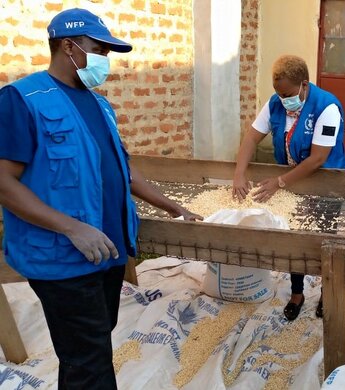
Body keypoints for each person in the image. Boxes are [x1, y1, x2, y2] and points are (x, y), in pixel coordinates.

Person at [0, 8, 200, 390]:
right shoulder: (23, 100)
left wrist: (172, 206)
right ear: (68, 46)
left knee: (86, 354)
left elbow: (123, 170)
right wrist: (72, 228)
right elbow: (3, 182)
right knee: (91, 364)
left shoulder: (99, 104)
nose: (105, 60)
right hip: (64, 259)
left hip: (106, 254)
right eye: (100, 49)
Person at [232, 54, 345, 321]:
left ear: (304, 84)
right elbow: (251, 137)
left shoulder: (326, 107)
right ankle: (297, 294)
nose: (283, 99)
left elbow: (318, 158)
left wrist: (279, 182)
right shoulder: (275, 104)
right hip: (292, 179)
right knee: (295, 239)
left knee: (324, 241)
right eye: (278, 93)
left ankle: (328, 294)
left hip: (326, 182)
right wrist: (239, 173)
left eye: (287, 93)